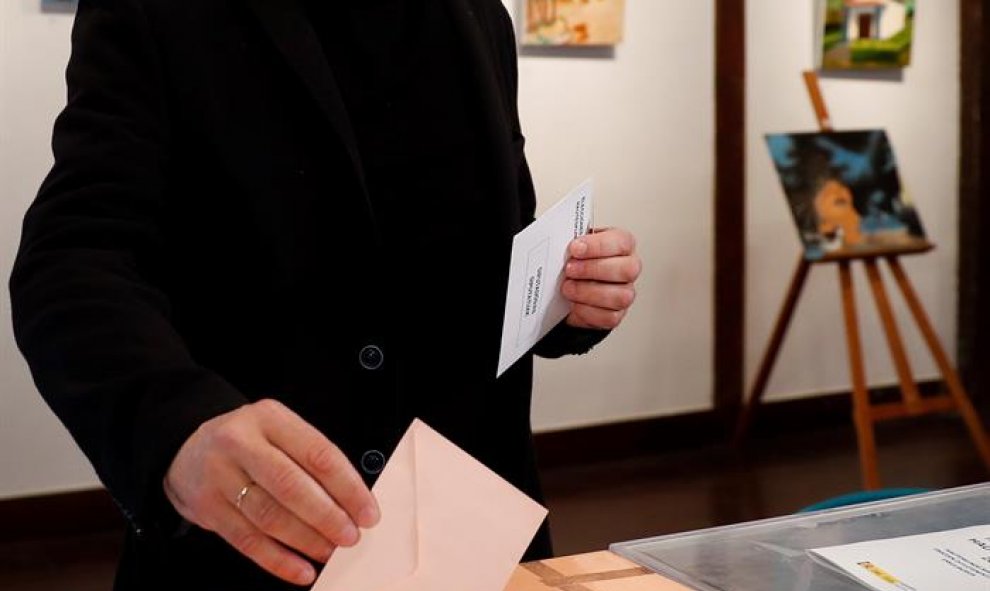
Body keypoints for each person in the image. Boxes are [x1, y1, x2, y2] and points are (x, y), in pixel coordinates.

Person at [9, 0, 642, 589]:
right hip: (255, 544)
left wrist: (569, 298)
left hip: (474, 540)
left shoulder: (479, 15)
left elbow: (482, 259)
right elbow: (75, 261)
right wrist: (174, 426)